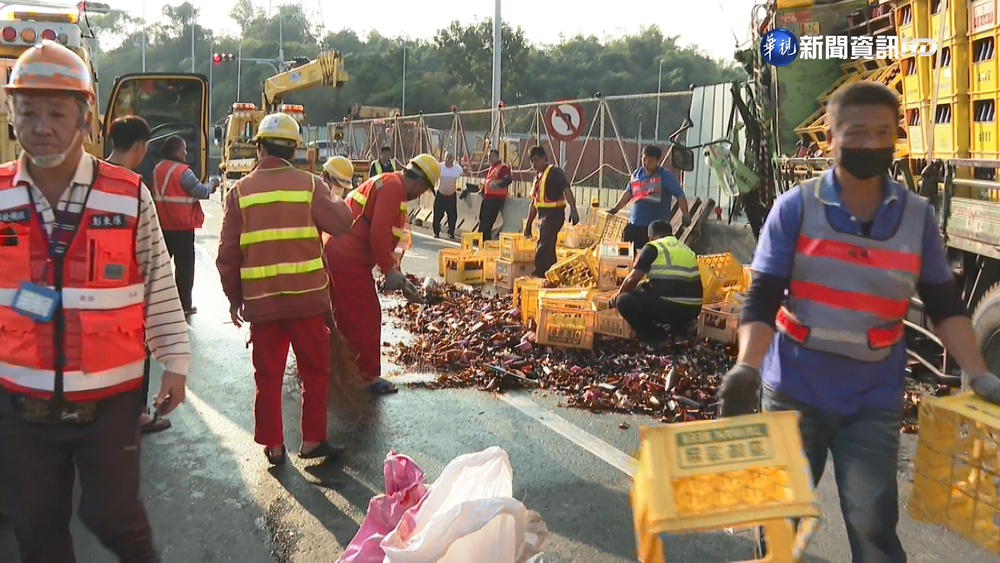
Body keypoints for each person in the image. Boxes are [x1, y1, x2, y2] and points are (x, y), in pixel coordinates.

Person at [717, 81, 1000, 562]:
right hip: (794, 389)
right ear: (830, 137)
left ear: (895, 137)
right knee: (781, 523)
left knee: (873, 525)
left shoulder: (916, 217)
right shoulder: (796, 208)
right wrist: (747, 366)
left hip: (872, 396)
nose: (870, 143)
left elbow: (945, 304)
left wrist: (978, 373)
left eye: (882, 132)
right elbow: (763, 298)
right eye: (856, 131)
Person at [0, 39, 190, 560]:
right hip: (19, 400)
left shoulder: (128, 195)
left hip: (110, 400)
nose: (41, 126)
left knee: (114, 517)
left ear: (85, 119)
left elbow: (157, 283)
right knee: (35, 529)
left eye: (57, 113)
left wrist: (175, 361)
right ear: (10, 116)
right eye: (28, 111)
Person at [217, 112, 354, 466]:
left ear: (259, 146)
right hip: (307, 302)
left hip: (262, 307)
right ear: (295, 150)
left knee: (268, 376)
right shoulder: (309, 185)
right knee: (315, 371)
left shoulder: (240, 192)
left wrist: (235, 300)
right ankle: (311, 441)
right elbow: (342, 224)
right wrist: (335, 197)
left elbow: (227, 256)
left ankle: (274, 446)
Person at [325, 154, 438, 395]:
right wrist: (388, 271)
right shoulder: (393, 188)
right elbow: (378, 234)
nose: (420, 196)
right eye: (424, 191)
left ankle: (343, 370)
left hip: (340, 255)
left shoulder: (388, 183)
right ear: (421, 185)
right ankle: (366, 377)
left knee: (346, 317)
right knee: (366, 316)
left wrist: (398, 275)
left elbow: (384, 240)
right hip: (348, 259)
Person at [107, 115, 172, 434]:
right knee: (135, 355)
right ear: (142, 146)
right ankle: (137, 414)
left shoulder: (90, 180)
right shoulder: (135, 190)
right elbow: (151, 258)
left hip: (93, 296)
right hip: (130, 295)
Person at [153, 135, 220, 316]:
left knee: (160, 267)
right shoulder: (183, 172)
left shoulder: (157, 169)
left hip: (163, 227)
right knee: (184, 270)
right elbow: (201, 191)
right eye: (183, 149)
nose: (185, 152)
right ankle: (185, 305)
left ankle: (157, 303)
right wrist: (213, 184)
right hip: (182, 229)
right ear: (175, 150)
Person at [611, 220, 703, 346]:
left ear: (650, 237)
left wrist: (616, 298)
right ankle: (680, 332)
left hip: (669, 307)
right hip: (693, 309)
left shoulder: (652, 247)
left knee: (624, 300)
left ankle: (657, 337)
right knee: (661, 293)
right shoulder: (686, 248)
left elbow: (632, 279)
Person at [607, 145, 691, 250]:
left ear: (657, 161)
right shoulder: (636, 175)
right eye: (644, 159)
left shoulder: (665, 177)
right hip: (635, 225)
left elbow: (680, 195)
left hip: (656, 230)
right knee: (625, 252)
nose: (646, 162)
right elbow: (628, 193)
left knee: (655, 257)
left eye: (650, 160)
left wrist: (685, 214)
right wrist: (615, 209)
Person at [523, 146, 579, 277]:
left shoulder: (555, 172)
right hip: (543, 216)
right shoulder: (538, 177)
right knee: (549, 245)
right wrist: (528, 223)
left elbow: (567, 190)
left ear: (544, 158)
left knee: (543, 244)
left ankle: (538, 274)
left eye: (536, 160)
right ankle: (552, 272)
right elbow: (534, 203)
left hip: (554, 215)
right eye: (531, 161)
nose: (533, 164)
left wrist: (574, 209)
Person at [480, 148, 512, 240]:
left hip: (496, 198)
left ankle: (485, 239)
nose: (490, 158)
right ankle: (481, 237)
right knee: (483, 218)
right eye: (489, 156)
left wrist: (498, 185)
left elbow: (508, 180)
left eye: (492, 156)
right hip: (488, 197)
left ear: (498, 157)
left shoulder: (502, 168)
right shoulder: (492, 168)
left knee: (488, 220)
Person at [433, 152, 463, 239]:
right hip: (441, 195)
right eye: (447, 157)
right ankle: (436, 232)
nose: (448, 159)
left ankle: (451, 232)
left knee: (452, 216)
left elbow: (463, 173)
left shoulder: (457, 169)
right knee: (437, 215)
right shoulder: (439, 167)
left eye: (450, 157)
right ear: (444, 158)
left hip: (451, 196)